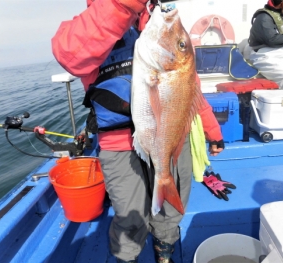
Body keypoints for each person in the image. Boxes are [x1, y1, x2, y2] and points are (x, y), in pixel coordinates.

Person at [52, 1, 225, 262]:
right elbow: (69, 54)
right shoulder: (97, 21)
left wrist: (212, 130)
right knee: (130, 214)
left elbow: (190, 91)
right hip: (118, 144)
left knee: (170, 207)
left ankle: (164, 247)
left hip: (172, 138)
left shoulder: (157, 23)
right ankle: (128, 257)